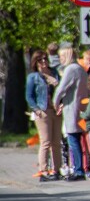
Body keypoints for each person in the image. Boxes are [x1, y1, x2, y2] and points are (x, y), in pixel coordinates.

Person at [52, 47, 89, 181]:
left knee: (73, 139)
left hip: (72, 107)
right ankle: (80, 168)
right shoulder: (80, 69)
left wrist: (55, 103)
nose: (60, 59)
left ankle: (78, 170)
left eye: (62, 56)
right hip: (81, 107)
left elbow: (61, 88)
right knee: (78, 139)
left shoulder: (70, 69)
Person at [26, 51, 62, 181]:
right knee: (46, 141)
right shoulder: (33, 77)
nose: (43, 62)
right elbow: (29, 96)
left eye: (45, 59)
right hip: (43, 110)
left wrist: (61, 104)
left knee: (56, 142)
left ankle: (57, 169)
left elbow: (61, 90)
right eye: (40, 60)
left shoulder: (55, 73)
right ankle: (43, 170)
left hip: (56, 110)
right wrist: (36, 109)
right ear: (35, 62)